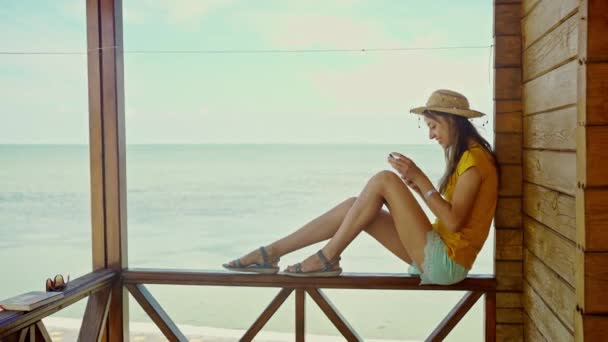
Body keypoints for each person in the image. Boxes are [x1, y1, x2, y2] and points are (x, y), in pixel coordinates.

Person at [223, 89, 498, 285]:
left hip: (448, 263)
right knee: (354, 205)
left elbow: (453, 222)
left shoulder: (474, 161)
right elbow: (450, 213)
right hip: (438, 255)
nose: (431, 135)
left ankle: (327, 258)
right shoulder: (466, 157)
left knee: (384, 179)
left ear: (452, 121)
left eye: (433, 126)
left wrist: (421, 178)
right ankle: (269, 254)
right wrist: (417, 187)